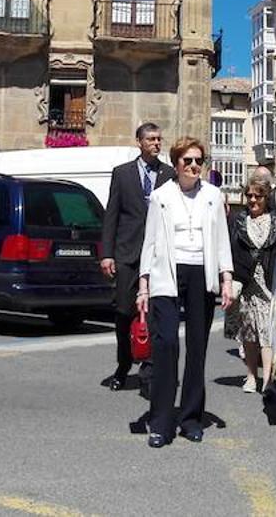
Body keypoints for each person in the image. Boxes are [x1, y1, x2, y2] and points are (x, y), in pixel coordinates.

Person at [138, 137, 234, 447]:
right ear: (176, 164)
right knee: (165, 344)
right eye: (187, 161)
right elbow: (150, 242)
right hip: (168, 273)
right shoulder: (160, 197)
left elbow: (221, 241)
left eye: (198, 161)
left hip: (200, 274)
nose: (193, 166)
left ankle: (191, 418)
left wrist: (227, 279)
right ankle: (161, 422)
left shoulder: (213, 196)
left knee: (197, 347)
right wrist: (143, 285)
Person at [101, 123, 176, 392]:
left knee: (156, 315)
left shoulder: (169, 174)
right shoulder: (122, 174)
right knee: (123, 312)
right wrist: (107, 254)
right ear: (139, 142)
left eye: (159, 139)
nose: (156, 143)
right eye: (151, 139)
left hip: (158, 254)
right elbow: (112, 215)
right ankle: (123, 365)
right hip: (127, 254)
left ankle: (149, 372)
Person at [226, 173, 276, 396]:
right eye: (249, 195)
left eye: (258, 196)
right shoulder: (238, 220)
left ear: (266, 197)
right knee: (248, 332)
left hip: (268, 283)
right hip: (246, 283)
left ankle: (268, 378)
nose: (253, 200)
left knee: (267, 332)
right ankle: (251, 376)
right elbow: (230, 249)